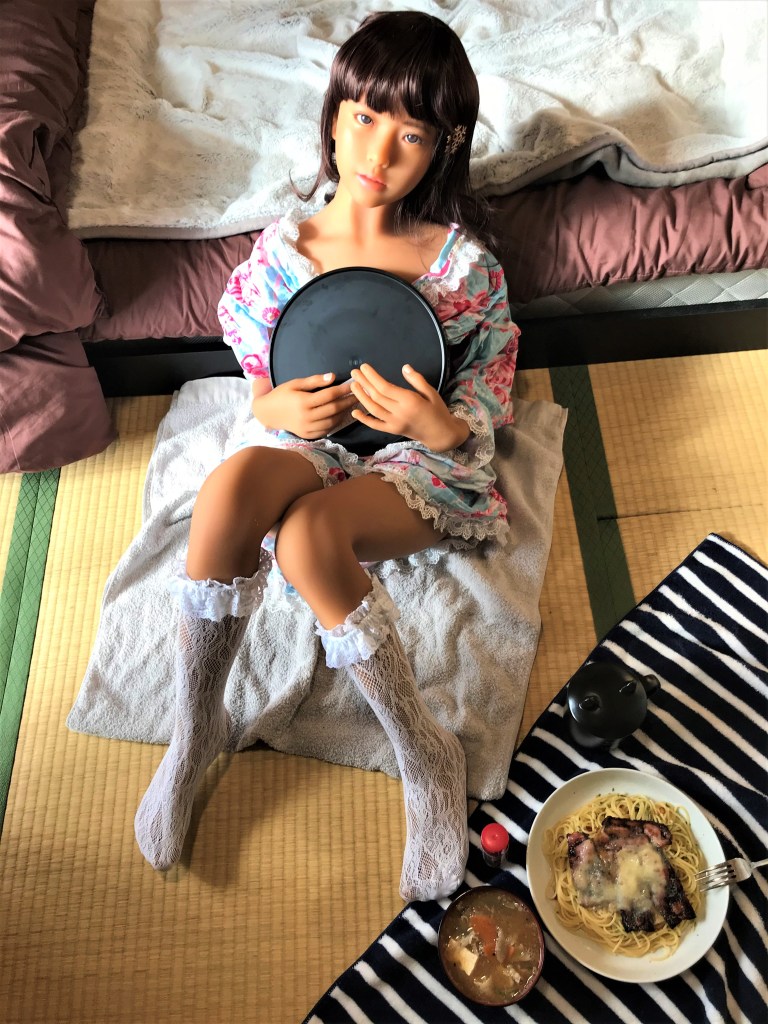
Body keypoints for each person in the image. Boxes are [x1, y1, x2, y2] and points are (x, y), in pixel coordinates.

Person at [134, 10, 519, 903]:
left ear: (445, 146)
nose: (379, 151)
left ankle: (423, 748)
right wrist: (270, 402)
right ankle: (196, 726)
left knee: (309, 540)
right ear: (335, 117)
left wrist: (437, 426)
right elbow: (256, 356)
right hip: (309, 439)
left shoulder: (461, 270)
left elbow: (492, 376)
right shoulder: (286, 253)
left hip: (412, 464)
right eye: (364, 117)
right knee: (230, 491)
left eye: (411, 133)